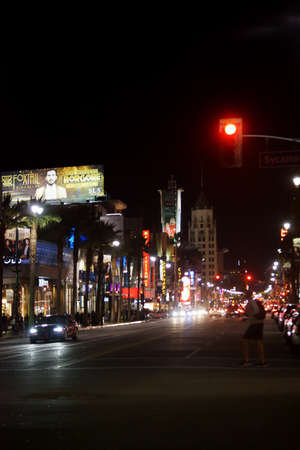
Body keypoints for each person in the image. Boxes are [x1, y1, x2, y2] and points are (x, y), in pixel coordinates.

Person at [241, 291, 266, 367]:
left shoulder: (251, 302)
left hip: (255, 323)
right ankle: (262, 360)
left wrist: (249, 316)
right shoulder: (252, 302)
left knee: (245, 340)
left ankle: (247, 360)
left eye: (244, 295)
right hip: (258, 323)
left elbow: (255, 311)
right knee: (258, 341)